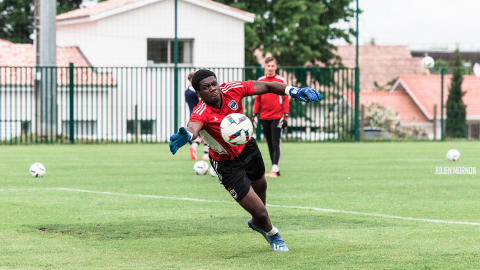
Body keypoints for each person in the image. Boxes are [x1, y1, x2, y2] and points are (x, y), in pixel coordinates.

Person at [169, 69, 322, 252]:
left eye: (214, 84)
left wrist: (293, 90)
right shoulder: (201, 111)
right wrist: (187, 135)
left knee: (262, 188)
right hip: (226, 165)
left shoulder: (232, 89)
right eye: (206, 87)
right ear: (199, 93)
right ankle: (273, 234)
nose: (212, 89)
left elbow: (266, 86)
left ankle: (259, 223)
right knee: (261, 212)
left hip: (248, 148)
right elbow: (194, 126)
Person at [253, 57, 289, 178]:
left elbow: (285, 99)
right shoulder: (260, 80)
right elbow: (257, 98)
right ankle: (275, 168)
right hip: (264, 116)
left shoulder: (280, 80)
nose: (270, 68)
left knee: (275, 142)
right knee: (269, 142)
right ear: (265, 67)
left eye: (272, 66)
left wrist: (286, 116)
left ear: (276, 67)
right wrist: (254, 114)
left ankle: (275, 168)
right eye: (268, 65)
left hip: (277, 116)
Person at [185, 72, 209, 161]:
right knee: (207, 135)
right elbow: (201, 101)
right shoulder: (195, 90)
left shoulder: (187, 90)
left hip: (193, 115)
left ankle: (194, 147)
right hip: (200, 115)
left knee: (201, 136)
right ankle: (206, 155)